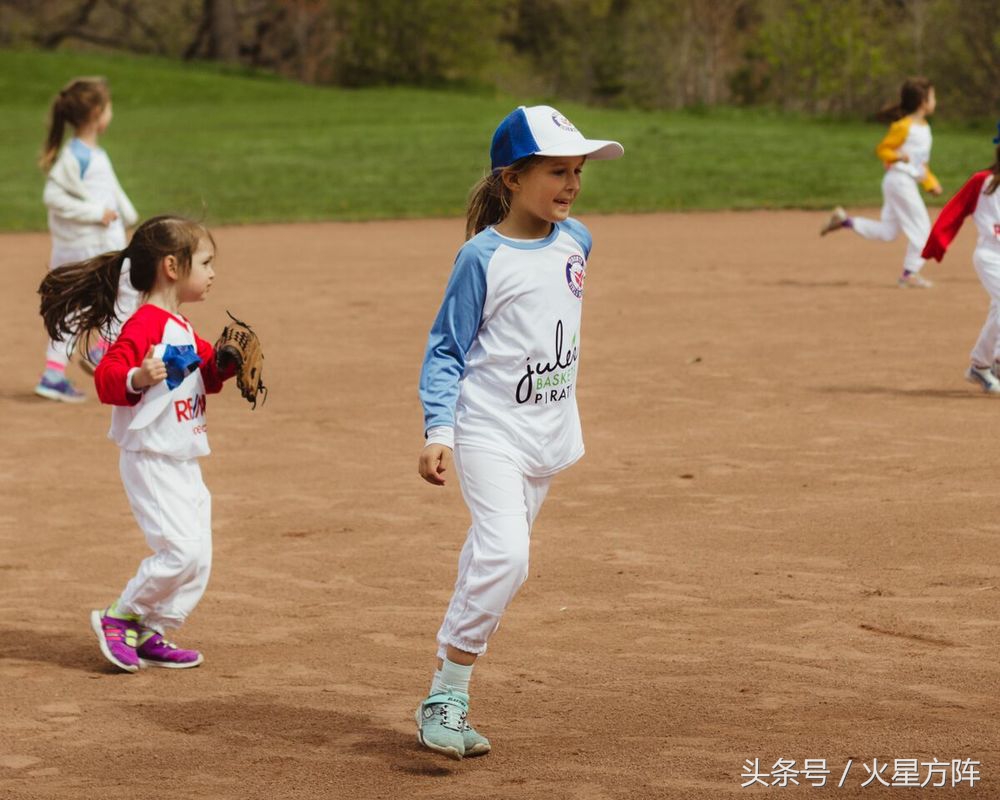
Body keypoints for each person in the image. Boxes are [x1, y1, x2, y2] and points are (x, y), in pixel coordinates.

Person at [415, 105, 623, 759]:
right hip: (488, 431)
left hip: (546, 433)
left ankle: (444, 694)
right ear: (511, 179)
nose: (571, 184)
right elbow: (447, 349)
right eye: (556, 171)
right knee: (508, 556)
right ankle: (446, 696)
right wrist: (439, 430)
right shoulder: (481, 257)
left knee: (489, 556)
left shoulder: (578, 241)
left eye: (578, 171)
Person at [38, 215, 235, 673]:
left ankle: (153, 629)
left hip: (182, 457)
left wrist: (224, 364)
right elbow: (108, 377)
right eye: (204, 262)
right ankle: (120, 614)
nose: (211, 273)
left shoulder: (181, 326)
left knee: (199, 555)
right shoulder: (145, 325)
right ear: (172, 266)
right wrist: (137, 376)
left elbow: (206, 374)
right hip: (150, 457)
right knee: (180, 552)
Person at [36, 76, 139, 402]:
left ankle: (53, 374)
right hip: (94, 244)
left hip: (91, 242)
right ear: (96, 112)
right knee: (131, 291)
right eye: (108, 107)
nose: (111, 113)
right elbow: (54, 196)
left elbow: (109, 188)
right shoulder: (76, 156)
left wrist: (127, 211)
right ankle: (102, 351)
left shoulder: (90, 153)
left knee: (72, 310)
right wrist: (97, 213)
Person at [820, 77, 943, 288]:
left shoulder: (925, 129)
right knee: (923, 230)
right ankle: (909, 274)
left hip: (902, 182)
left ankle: (845, 221)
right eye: (932, 96)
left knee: (888, 232)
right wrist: (897, 156)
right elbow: (883, 149)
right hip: (899, 181)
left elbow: (921, 165)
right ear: (923, 101)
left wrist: (930, 183)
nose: (935, 100)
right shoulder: (903, 126)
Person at [921, 130, 1000, 393]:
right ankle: (986, 363)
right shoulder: (983, 182)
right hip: (990, 256)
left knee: (997, 309)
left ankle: (983, 364)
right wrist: (937, 243)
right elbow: (954, 211)